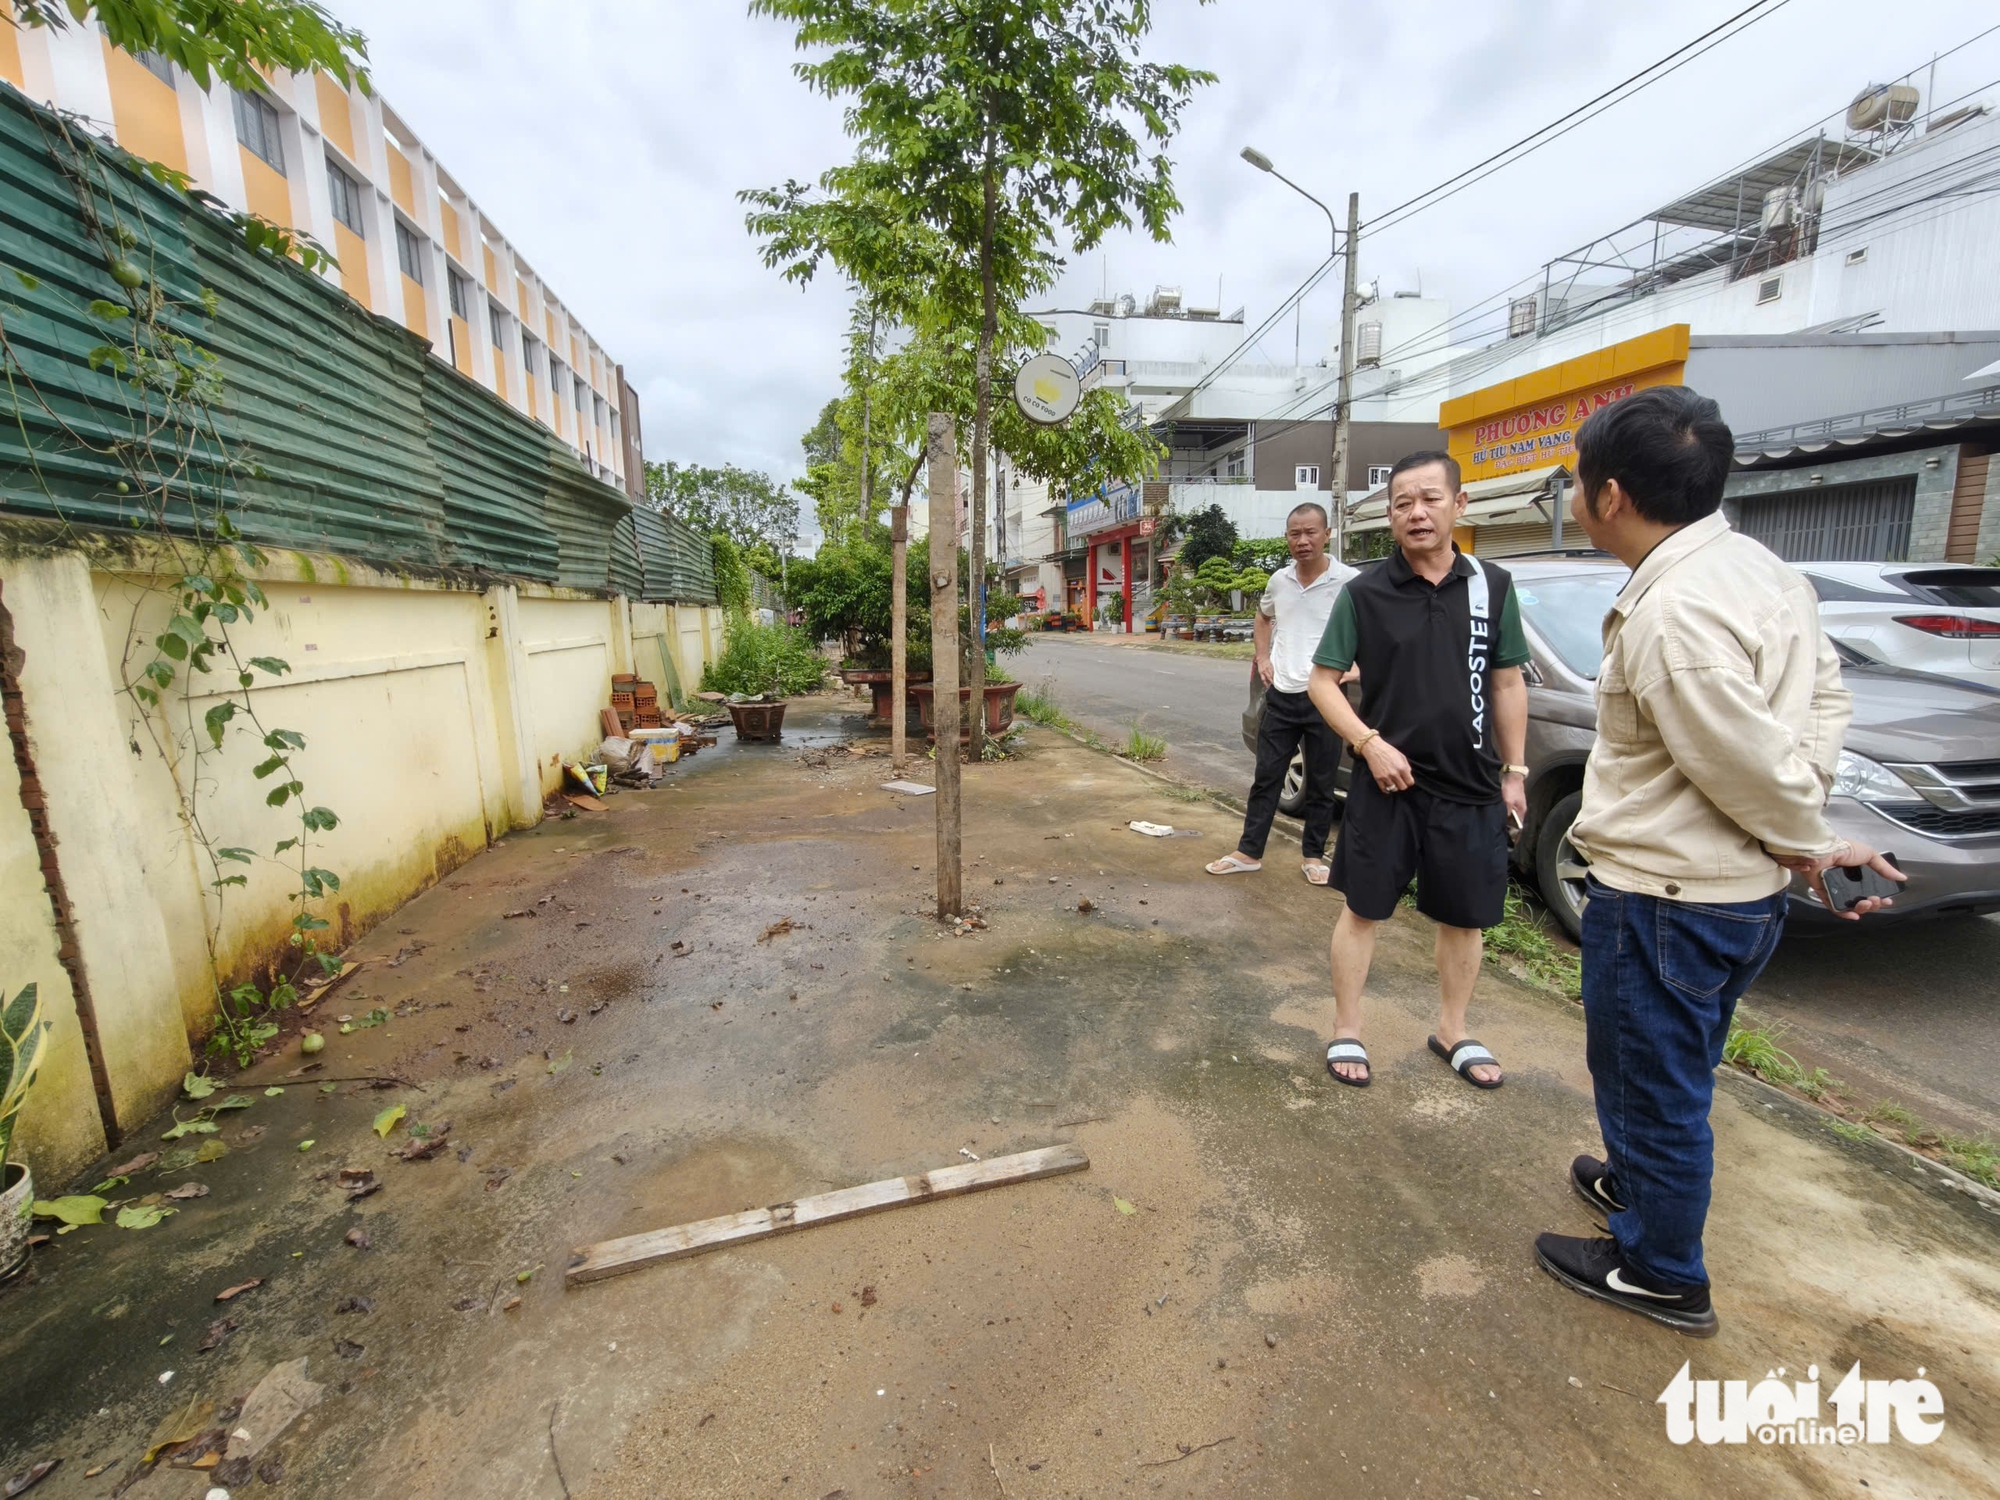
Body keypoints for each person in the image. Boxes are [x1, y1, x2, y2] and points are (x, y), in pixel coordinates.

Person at [1534, 386, 1903, 1339]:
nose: (1573, 497)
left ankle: (1660, 1268)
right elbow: (1822, 704)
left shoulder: (1675, 617)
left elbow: (1740, 759)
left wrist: (1808, 840)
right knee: (1659, 1064)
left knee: (1657, 1084)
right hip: (1729, 897)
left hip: (1669, 896)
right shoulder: (1764, 573)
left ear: (1610, 495)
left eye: (1577, 481)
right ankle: (1638, 1187)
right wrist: (1803, 824)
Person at [1304, 452, 1530, 1089]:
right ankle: (1347, 1028)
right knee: (1362, 907)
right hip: (1386, 784)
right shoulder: (1365, 593)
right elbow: (1321, 682)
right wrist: (1369, 743)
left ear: (1460, 505)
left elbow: (1508, 681)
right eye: (1402, 503)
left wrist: (1514, 770)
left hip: (1471, 783)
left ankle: (1453, 1030)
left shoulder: (1493, 586)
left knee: (1466, 916)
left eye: (1430, 498)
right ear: (1389, 515)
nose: (1416, 513)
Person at [1205, 502, 1356, 884]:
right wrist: (1262, 656)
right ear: (1287, 537)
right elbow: (1263, 617)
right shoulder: (1279, 581)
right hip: (1282, 695)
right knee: (1266, 777)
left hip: (1326, 697)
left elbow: (1378, 633)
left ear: (1327, 534)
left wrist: (1357, 669)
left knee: (1322, 782)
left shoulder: (1351, 582)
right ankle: (1249, 851)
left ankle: (1313, 856)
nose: (1303, 541)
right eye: (1295, 534)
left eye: (1310, 533)